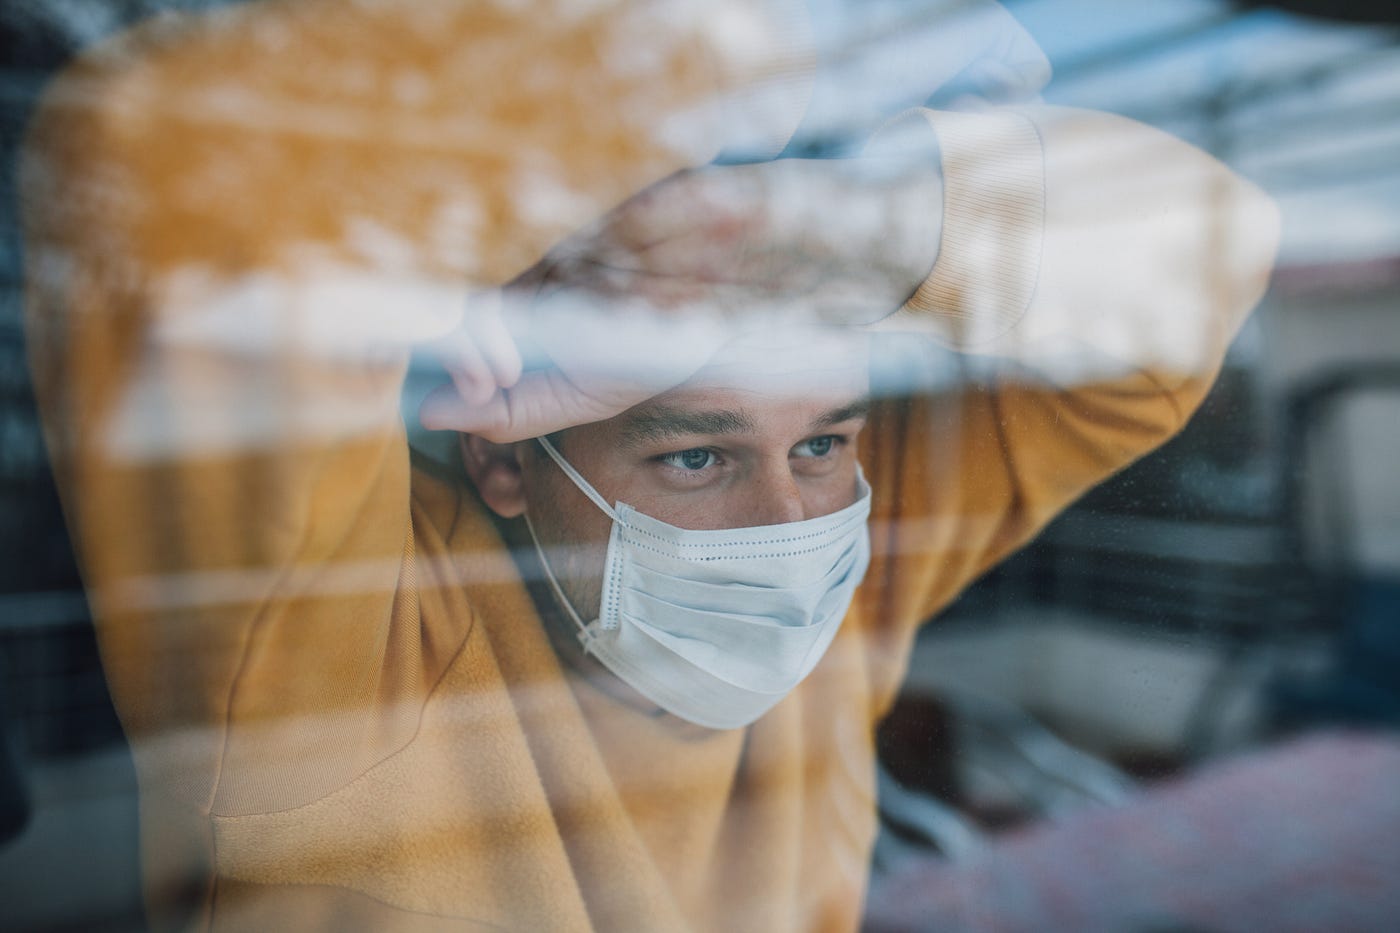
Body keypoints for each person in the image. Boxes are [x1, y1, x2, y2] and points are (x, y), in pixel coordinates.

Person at [18, 0, 1278, 930]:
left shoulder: (839, 602)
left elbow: (1209, 252)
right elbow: (160, 148)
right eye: (689, 454)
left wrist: (820, 233)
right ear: (508, 463)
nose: (786, 530)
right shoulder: (349, 649)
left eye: (825, 440)